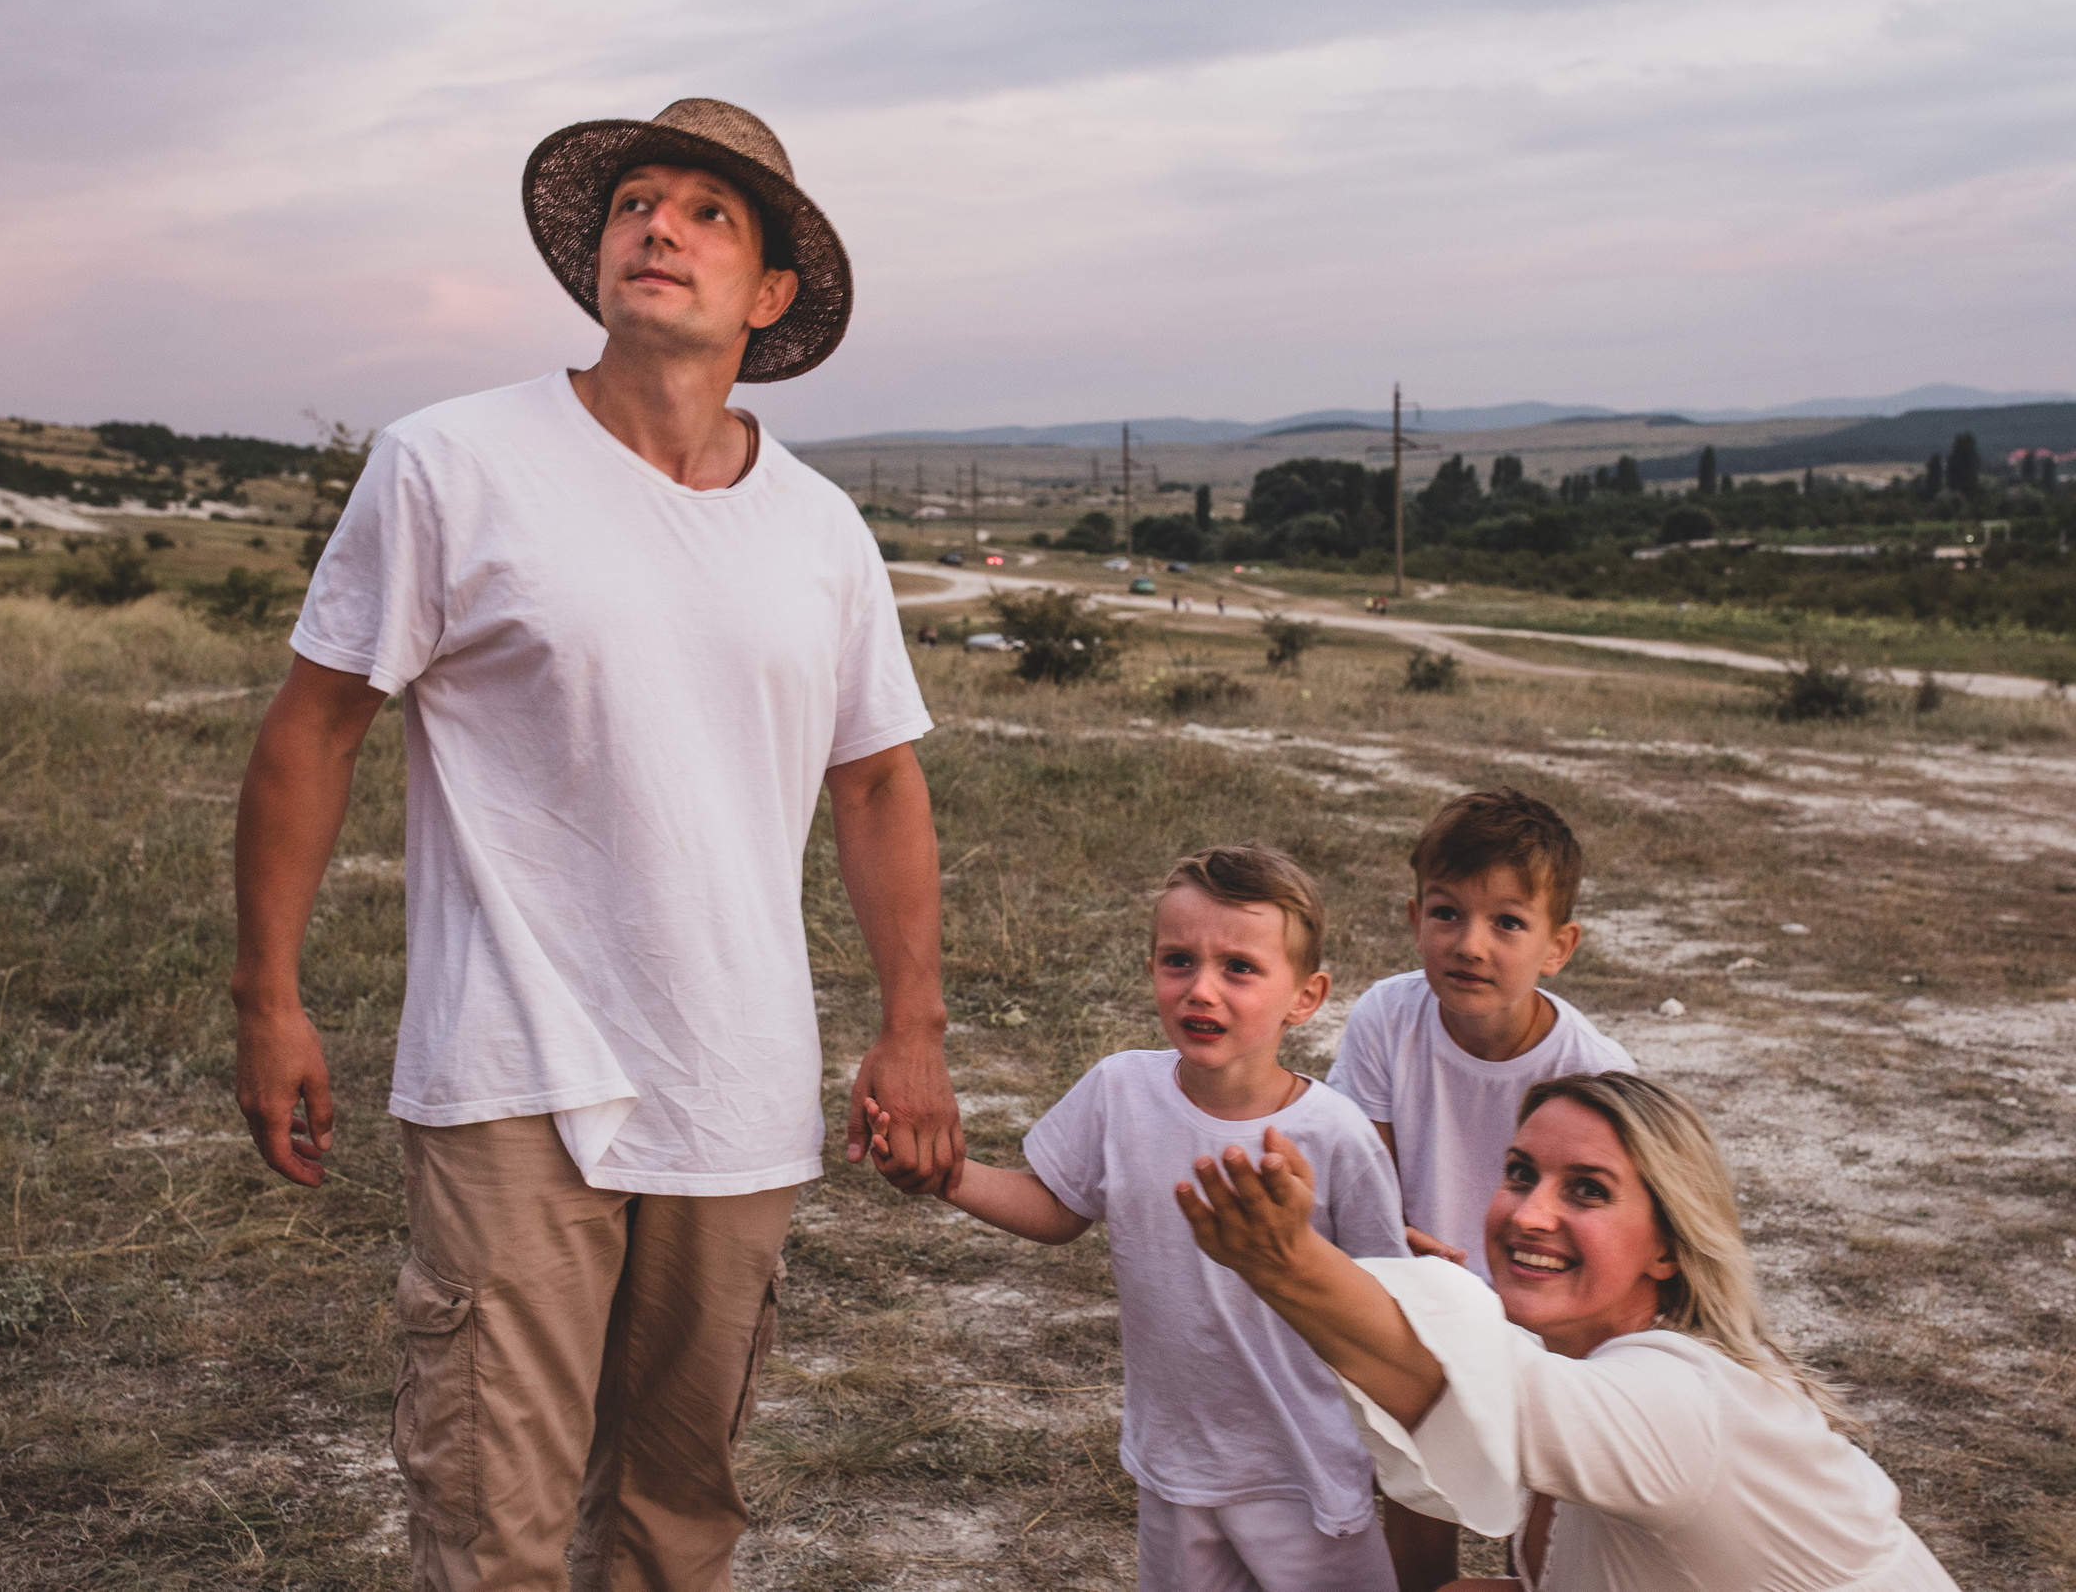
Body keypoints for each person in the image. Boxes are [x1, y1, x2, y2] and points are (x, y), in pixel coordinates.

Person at [231, 98, 965, 1591]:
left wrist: (914, 1028)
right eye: (641, 199)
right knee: (495, 1519)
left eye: (711, 212)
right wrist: (270, 995)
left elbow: (878, 783)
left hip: (736, 1078)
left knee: (678, 1516)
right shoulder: (451, 462)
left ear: (767, 296)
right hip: (514, 1064)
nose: (662, 226)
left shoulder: (820, 528)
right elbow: (313, 727)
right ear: (597, 252)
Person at [1178, 1073, 1961, 1592]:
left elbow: (1467, 1387)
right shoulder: (1601, 1374)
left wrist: (1291, 1262)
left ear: (1668, 1246)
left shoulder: (1683, 1402)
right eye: (1520, 1172)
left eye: (1586, 1189)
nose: (1527, 1212)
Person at [868, 846, 1409, 1591]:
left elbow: (1389, 1308)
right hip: (1174, 1465)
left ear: (1306, 996)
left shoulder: (1334, 1135)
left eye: (1240, 968)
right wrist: (944, 1175)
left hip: (1304, 1471)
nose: (1201, 989)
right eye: (1178, 960)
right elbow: (1059, 1206)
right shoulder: (1121, 1089)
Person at [1326, 791, 1634, 1589]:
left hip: (1546, 1307)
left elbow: (1609, 1232)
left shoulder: (1597, 1073)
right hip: (1420, 1293)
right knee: (1415, 1481)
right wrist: (1396, 1242)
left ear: (1558, 945)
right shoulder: (1387, 1018)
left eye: (1507, 922)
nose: (1470, 944)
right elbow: (1363, 1173)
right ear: (1413, 915)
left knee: (1539, 1525)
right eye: (1446, 912)